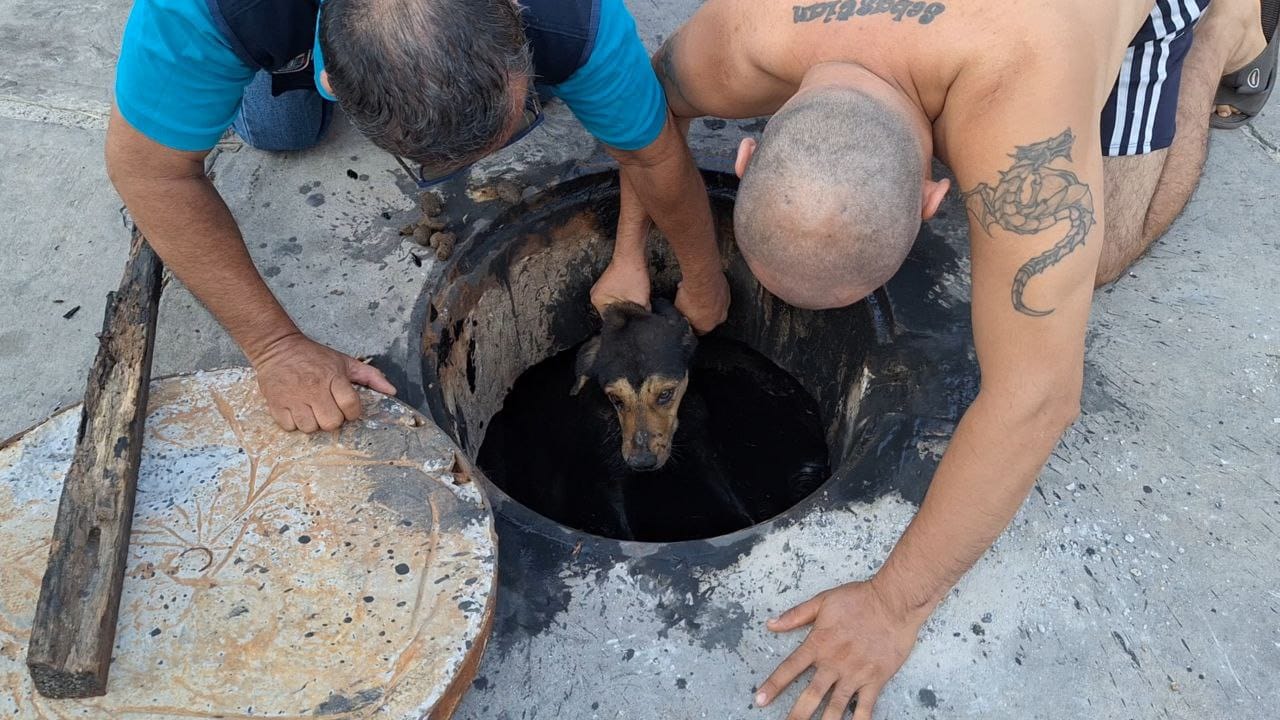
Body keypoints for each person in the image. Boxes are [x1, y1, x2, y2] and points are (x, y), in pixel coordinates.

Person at [637, 0, 1277, 717]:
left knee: (1100, 253)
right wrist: (639, 258)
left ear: (936, 200)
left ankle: (1225, 31)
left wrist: (893, 606)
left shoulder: (1026, 115)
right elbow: (640, 108)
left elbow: (1037, 399)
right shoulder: (745, 33)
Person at [105, 0, 730, 434]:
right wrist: (274, 347)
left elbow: (651, 153)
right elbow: (149, 171)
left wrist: (704, 277)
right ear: (327, 73)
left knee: (587, 74)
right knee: (281, 128)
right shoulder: (210, 11)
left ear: (516, 24)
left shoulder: (574, 20)